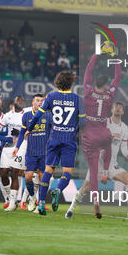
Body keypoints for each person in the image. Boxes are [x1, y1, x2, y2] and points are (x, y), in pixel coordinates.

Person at [66, 102, 128, 219]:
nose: (118, 109)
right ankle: (71, 209)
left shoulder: (125, 128)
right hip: (98, 163)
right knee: (85, 188)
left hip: (112, 164)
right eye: (116, 107)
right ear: (111, 110)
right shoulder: (103, 124)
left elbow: (123, 147)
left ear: (123, 112)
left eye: (120, 108)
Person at [26, 71, 86, 215]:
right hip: (69, 140)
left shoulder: (51, 96)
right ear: (71, 83)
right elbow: (84, 122)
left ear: (57, 82)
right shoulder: (78, 99)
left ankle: (40, 202)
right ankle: (58, 190)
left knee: (48, 170)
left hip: (54, 139)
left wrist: (30, 128)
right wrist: (75, 131)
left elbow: (38, 115)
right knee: (67, 172)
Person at [82, 51, 121, 218]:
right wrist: (115, 58)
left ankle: (95, 200)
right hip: (104, 133)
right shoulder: (109, 94)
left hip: (90, 135)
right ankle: (106, 172)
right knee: (108, 144)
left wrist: (96, 54)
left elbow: (88, 72)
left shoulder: (88, 92)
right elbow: (118, 76)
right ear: (106, 85)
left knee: (92, 170)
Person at [14, 94, 52, 212]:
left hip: (44, 152)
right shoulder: (26, 116)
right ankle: (32, 197)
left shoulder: (48, 115)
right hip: (31, 152)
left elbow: (52, 131)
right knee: (28, 177)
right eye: (37, 100)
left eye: (42, 101)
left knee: (42, 178)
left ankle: (40, 202)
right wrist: (17, 147)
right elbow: (22, 133)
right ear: (33, 102)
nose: (40, 102)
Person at [0, 96, 29, 211]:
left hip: (20, 147)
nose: (19, 102)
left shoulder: (28, 114)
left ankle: (12, 203)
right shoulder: (7, 115)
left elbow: (30, 130)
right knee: (3, 173)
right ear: (14, 102)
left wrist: (20, 132)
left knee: (15, 173)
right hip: (7, 147)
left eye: (21, 100)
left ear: (23, 103)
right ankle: (11, 198)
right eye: (17, 100)